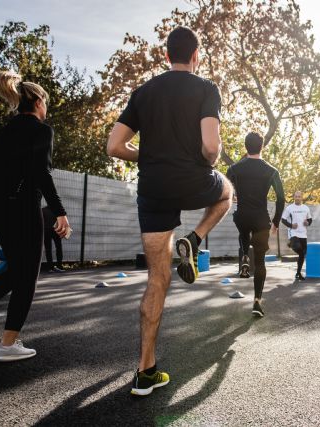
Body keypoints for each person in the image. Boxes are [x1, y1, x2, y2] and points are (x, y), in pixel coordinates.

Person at [106, 26, 232, 396]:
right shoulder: (206, 89)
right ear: (196, 56)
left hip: (154, 189)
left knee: (156, 279)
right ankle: (194, 238)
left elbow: (114, 146)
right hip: (193, 181)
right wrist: (211, 159)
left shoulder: (143, 93)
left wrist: (146, 156)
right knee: (226, 192)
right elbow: (211, 147)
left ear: (166, 56)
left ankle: (145, 371)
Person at [0, 71, 70, 361]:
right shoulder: (42, 130)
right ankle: (7, 344)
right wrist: (60, 212)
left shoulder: (6, 131)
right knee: (27, 274)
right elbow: (42, 173)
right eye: (46, 102)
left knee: (17, 268)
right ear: (39, 102)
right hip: (22, 207)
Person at [226, 132, 285, 317]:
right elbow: (281, 198)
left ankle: (244, 256)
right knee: (260, 262)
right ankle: (257, 302)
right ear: (262, 146)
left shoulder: (234, 169)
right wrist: (276, 221)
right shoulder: (272, 171)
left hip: (242, 215)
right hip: (261, 219)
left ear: (245, 146)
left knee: (243, 231)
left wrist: (234, 197)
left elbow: (225, 190)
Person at [281, 191, 313, 280]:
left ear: (302, 197)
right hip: (293, 233)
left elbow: (310, 219)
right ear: (294, 197)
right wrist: (291, 225)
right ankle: (291, 243)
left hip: (303, 234)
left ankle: (298, 273)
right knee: (298, 249)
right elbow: (283, 220)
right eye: (296, 196)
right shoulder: (289, 208)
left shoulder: (306, 208)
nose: (297, 198)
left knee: (303, 254)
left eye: (299, 196)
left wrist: (308, 222)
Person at [42, 205, 64, 272]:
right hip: (56, 231)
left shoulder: (43, 210)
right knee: (58, 248)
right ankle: (59, 266)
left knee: (48, 249)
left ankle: (50, 268)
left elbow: (41, 221)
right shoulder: (57, 209)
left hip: (47, 231)